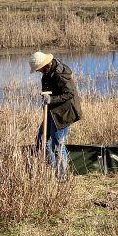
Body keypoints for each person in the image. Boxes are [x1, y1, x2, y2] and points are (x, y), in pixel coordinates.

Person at [29, 51, 83, 179]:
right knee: (41, 140)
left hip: (64, 113)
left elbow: (70, 93)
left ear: (44, 65)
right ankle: (52, 168)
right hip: (52, 111)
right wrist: (46, 99)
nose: (37, 71)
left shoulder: (60, 74)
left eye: (38, 68)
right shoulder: (47, 72)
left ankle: (61, 176)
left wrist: (51, 99)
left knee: (57, 145)